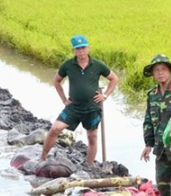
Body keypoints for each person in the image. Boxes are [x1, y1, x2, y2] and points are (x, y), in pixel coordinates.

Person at [41, 35, 119, 164]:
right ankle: (42, 157)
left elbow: (114, 78)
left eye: (83, 47)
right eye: (77, 49)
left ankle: (89, 165)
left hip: (92, 107)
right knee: (55, 129)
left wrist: (105, 95)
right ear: (73, 51)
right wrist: (64, 100)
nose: (81, 51)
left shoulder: (97, 65)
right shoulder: (68, 65)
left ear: (88, 48)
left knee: (92, 137)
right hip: (74, 106)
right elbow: (56, 81)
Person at [141, 54, 171, 196]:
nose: (160, 73)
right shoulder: (152, 95)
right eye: (156, 70)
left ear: (170, 71)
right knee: (163, 185)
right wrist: (148, 144)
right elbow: (148, 120)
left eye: (163, 69)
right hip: (160, 148)